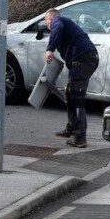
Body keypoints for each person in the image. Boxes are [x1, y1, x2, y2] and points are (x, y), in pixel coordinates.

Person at [45, 8, 99, 147]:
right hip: (83, 60)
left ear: (49, 19)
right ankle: (71, 128)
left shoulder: (58, 21)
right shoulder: (65, 26)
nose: (48, 27)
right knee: (70, 94)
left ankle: (80, 138)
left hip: (83, 60)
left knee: (76, 97)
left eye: (47, 23)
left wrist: (50, 49)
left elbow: (57, 27)